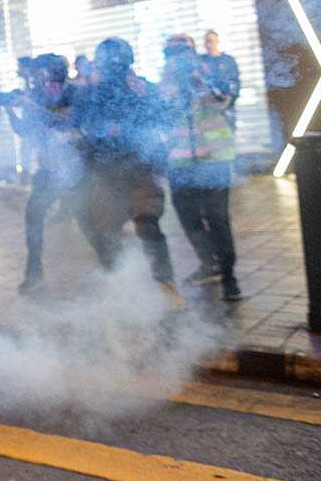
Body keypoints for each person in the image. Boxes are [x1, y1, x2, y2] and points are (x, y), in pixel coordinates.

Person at [74, 37, 181, 301]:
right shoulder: (93, 93)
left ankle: (165, 284)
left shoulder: (143, 88)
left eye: (117, 65)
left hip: (139, 167)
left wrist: (145, 97)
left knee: (147, 223)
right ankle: (119, 281)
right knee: (102, 228)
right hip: (108, 172)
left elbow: (165, 117)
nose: (113, 71)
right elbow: (83, 124)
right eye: (108, 65)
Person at [162, 34, 241, 301]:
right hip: (180, 162)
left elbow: (224, 100)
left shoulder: (209, 73)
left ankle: (230, 278)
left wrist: (201, 83)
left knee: (218, 219)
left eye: (182, 52)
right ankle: (209, 262)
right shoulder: (165, 83)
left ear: (192, 53)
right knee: (188, 217)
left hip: (214, 160)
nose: (177, 59)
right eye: (172, 54)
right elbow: (159, 116)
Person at [6, 53, 84, 292]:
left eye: (41, 71)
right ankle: (34, 273)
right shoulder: (36, 96)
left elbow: (70, 121)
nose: (35, 76)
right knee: (33, 217)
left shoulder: (73, 93)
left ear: (54, 71)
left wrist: (35, 107)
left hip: (76, 170)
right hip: (49, 171)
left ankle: (115, 270)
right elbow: (25, 131)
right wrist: (10, 112)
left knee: (91, 224)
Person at [201, 30, 240, 130]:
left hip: (227, 108)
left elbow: (234, 82)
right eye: (206, 42)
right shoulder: (201, 61)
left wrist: (228, 101)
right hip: (207, 110)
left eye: (211, 41)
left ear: (217, 41)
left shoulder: (228, 61)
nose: (208, 45)